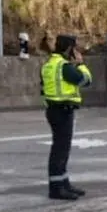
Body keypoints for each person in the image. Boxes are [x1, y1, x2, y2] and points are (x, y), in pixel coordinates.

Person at [40, 34, 93, 200]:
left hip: (54, 109)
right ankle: (57, 188)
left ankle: (63, 183)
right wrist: (81, 64)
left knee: (61, 148)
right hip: (62, 110)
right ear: (69, 49)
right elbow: (85, 80)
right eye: (74, 49)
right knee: (60, 150)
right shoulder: (64, 67)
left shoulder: (49, 64)